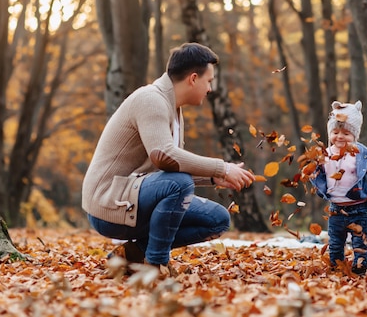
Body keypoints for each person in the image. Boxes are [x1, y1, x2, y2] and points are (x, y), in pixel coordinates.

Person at [81, 43, 255, 276]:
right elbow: (163, 156)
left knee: (217, 219)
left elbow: (170, 166)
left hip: (134, 196)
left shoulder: (173, 109)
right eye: (209, 81)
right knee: (179, 184)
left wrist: (213, 177)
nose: (210, 89)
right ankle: (157, 265)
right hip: (109, 202)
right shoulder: (151, 100)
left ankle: (131, 255)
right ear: (193, 78)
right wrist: (221, 168)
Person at [311, 100, 367, 275]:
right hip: (336, 209)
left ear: (355, 135)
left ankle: (359, 268)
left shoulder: (361, 154)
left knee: (360, 242)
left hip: (359, 208)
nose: (340, 137)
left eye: (346, 133)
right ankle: (337, 266)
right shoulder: (325, 155)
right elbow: (318, 175)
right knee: (335, 242)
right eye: (335, 132)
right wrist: (313, 173)